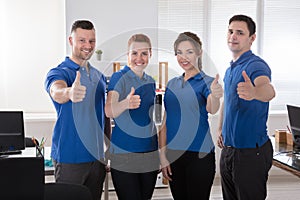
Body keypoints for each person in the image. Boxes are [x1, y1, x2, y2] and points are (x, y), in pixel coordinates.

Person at [44, 20, 108, 200]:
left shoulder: (98, 76)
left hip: (97, 160)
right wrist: (69, 92)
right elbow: (56, 90)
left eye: (92, 41)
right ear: (71, 41)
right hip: (70, 158)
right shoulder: (60, 72)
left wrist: (108, 150)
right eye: (82, 40)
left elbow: (103, 116)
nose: (87, 46)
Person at [217, 14, 276, 200]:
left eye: (240, 33)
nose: (233, 36)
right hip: (229, 150)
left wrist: (255, 93)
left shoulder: (255, 65)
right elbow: (228, 100)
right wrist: (220, 128)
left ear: (252, 38)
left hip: (251, 153)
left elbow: (268, 90)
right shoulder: (230, 69)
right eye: (230, 31)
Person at [159, 31, 223, 200]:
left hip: (199, 156)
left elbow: (212, 107)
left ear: (199, 53)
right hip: (173, 154)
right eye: (179, 52)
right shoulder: (172, 83)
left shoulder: (208, 82)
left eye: (189, 52)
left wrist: (216, 96)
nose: (183, 57)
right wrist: (162, 156)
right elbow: (165, 122)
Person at [105, 33, 159, 200]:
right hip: (124, 155)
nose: (139, 58)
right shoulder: (118, 77)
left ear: (150, 54)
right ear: (127, 55)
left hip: (149, 153)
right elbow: (108, 110)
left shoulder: (151, 81)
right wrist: (126, 104)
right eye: (134, 53)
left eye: (144, 53)